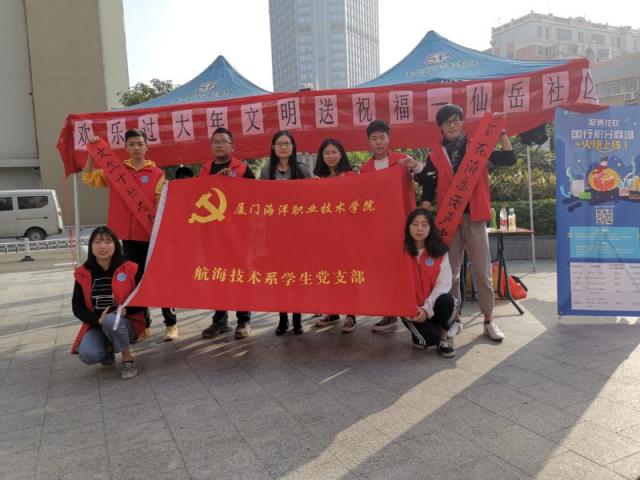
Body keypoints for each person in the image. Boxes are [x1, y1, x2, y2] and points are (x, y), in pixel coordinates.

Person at [421, 104, 516, 341]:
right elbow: (428, 189)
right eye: (447, 122)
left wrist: (501, 131)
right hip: (448, 221)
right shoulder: (434, 155)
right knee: (450, 274)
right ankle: (455, 319)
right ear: (440, 127)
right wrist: (422, 222)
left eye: (455, 120)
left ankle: (488, 321)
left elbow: (509, 158)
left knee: (482, 272)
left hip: (475, 217)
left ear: (462, 122)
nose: (452, 125)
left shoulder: (478, 147)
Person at [83, 129, 179, 342]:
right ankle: (143, 326)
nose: (136, 148)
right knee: (134, 283)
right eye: (132, 144)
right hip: (127, 238)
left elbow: (161, 205)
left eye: (140, 144)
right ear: (125, 147)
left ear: (146, 147)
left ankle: (171, 324)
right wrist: (92, 151)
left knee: (159, 279)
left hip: (151, 236)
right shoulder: (115, 171)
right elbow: (89, 179)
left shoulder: (157, 174)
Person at [359, 119, 430, 333]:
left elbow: (424, 174)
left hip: (406, 224)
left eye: (382, 137)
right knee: (386, 270)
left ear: (389, 139)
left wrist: (415, 165)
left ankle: (419, 309)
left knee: (411, 267)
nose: (378, 142)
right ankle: (389, 314)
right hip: (380, 227)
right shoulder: (366, 169)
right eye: (374, 138)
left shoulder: (402, 160)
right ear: (369, 142)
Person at [199, 127, 256, 341]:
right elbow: (197, 196)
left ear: (233, 146)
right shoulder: (205, 170)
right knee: (217, 277)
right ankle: (220, 321)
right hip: (213, 234)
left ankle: (244, 320)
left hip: (238, 234)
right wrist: (214, 181)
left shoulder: (243, 169)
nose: (219, 144)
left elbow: (254, 198)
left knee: (240, 276)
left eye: (223, 141)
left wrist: (232, 185)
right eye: (215, 141)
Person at [71, 226, 144, 379]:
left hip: (127, 323)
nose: (103, 246)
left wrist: (127, 310)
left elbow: (144, 298)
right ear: (91, 246)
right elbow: (77, 307)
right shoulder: (83, 273)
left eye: (108, 241)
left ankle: (127, 359)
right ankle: (108, 351)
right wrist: (97, 320)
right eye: (97, 242)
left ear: (116, 245)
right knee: (88, 354)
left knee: (111, 320)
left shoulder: (130, 268)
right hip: (98, 323)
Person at [260, 130, 310, 335]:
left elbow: (311, 196)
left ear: (293, 147)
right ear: (273, 148)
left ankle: (297, 319)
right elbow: (262, 198)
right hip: (275, 232)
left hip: (298, 232)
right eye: (279, 144)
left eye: (287, 143)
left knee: (296, 276)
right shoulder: (266, 171)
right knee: (280, 275)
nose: (283, 147)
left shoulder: (302, 169)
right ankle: (282, 319)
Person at [312, 138, 357, 333]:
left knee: (347, 274)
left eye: (334, 152)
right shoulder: (317, 178)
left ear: (341, 154)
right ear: (321, 156)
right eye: (327, 153)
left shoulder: (351, 175)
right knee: (329, 273)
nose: (331, 156)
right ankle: (332, 311)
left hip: (347, 233)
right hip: (324, 234)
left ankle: (351, 315)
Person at [400, 209, 457, 357]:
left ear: (431, 228)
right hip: (411, 310)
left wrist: (426, 309)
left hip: (432, 306)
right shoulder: (400, 252)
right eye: (415, 224)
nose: (419, 228)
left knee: (447, 300)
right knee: (429, 340)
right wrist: (413, 309)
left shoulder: (440, 252)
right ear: (408, 227)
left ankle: (443, 339)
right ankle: (425, 333)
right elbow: (397, 285)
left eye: (424, 225)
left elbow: (443, 285)